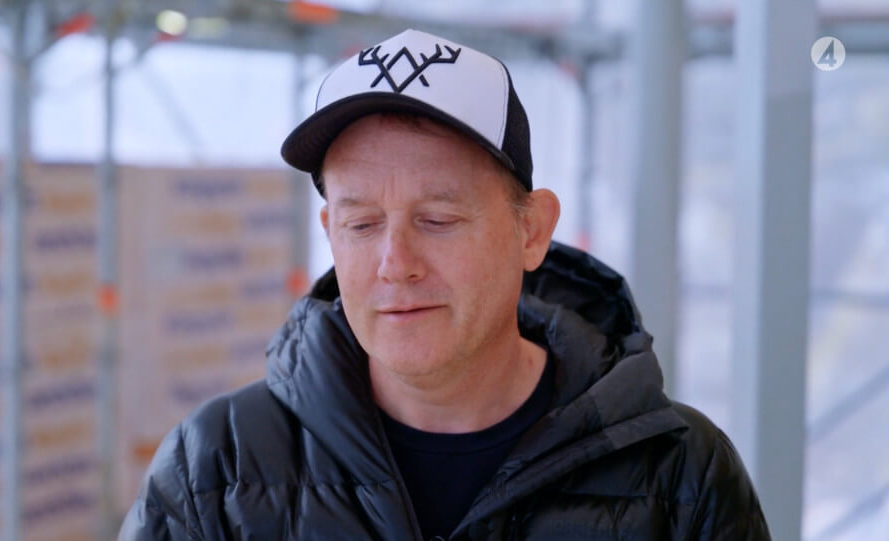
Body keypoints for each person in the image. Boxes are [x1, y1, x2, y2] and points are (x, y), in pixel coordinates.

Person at [119, 29, 770, 540]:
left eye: (437, 220)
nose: (395, 263)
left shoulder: (682, 477)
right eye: (362, 224)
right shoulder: (215, 470)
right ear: (329, 232)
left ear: (531, 230)